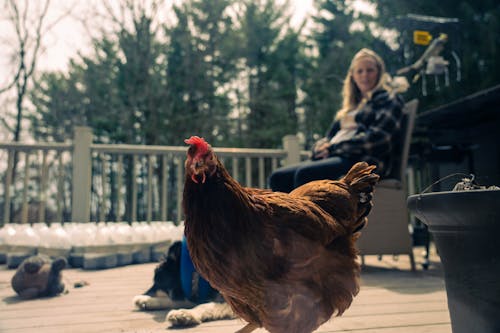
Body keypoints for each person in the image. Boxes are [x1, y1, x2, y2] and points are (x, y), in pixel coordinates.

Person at [270, 48, 405, 193]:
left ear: (379, 73)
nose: (364, 75)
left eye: (370, 70)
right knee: (278, 177)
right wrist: (320, 148)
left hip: (361, 161)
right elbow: (329, 137)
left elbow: (379, 139)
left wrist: (333, 148)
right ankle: (290, 216)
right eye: (359, 71)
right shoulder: (351, 108)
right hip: (336, 156)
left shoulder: (388, 99)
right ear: (352, 76)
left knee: (306, 174)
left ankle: (313, 216)